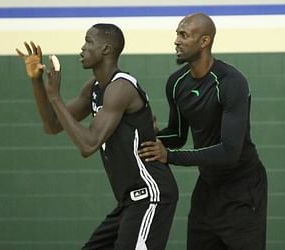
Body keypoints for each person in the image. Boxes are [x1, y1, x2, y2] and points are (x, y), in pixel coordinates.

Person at [16, 23, 178, 250]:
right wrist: (37, 81)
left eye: (89, 42)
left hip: (150, 193)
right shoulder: (94, 87)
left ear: (106, 49)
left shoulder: (120, 88)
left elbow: (88, 144)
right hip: (129, 201)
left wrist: (56, 97)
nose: (82, 48)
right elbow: (52, 125)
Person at [138, 13, 268, 250]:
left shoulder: (231, 82)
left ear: (204, 41)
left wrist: (171, 157)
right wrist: (149, 136)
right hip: (207, 190)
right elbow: (177, 134)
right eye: (177, 34)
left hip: (243, 189)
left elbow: (229, 151)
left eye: (184, 35)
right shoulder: (176, 83)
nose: (176, 40)